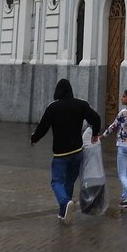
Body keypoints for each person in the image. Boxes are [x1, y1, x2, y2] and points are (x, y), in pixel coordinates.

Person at [30, 78, 103, 223]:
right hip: (77, 151)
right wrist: (95, 134)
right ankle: (64, 213)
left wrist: (34, 138)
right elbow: (96, 118)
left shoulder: (53, 107)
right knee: (69, 182)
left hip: (60, 153)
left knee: (56, 181)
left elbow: (43, 127)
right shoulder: (81, 105)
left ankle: (64, 202)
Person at [103, 88, 127, 211]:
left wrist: (103, 136)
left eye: (124, 96)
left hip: (123, 146)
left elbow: (114, 125)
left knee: (121, 174)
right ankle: (124, 199)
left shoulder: (123, 112)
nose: (121, 98)